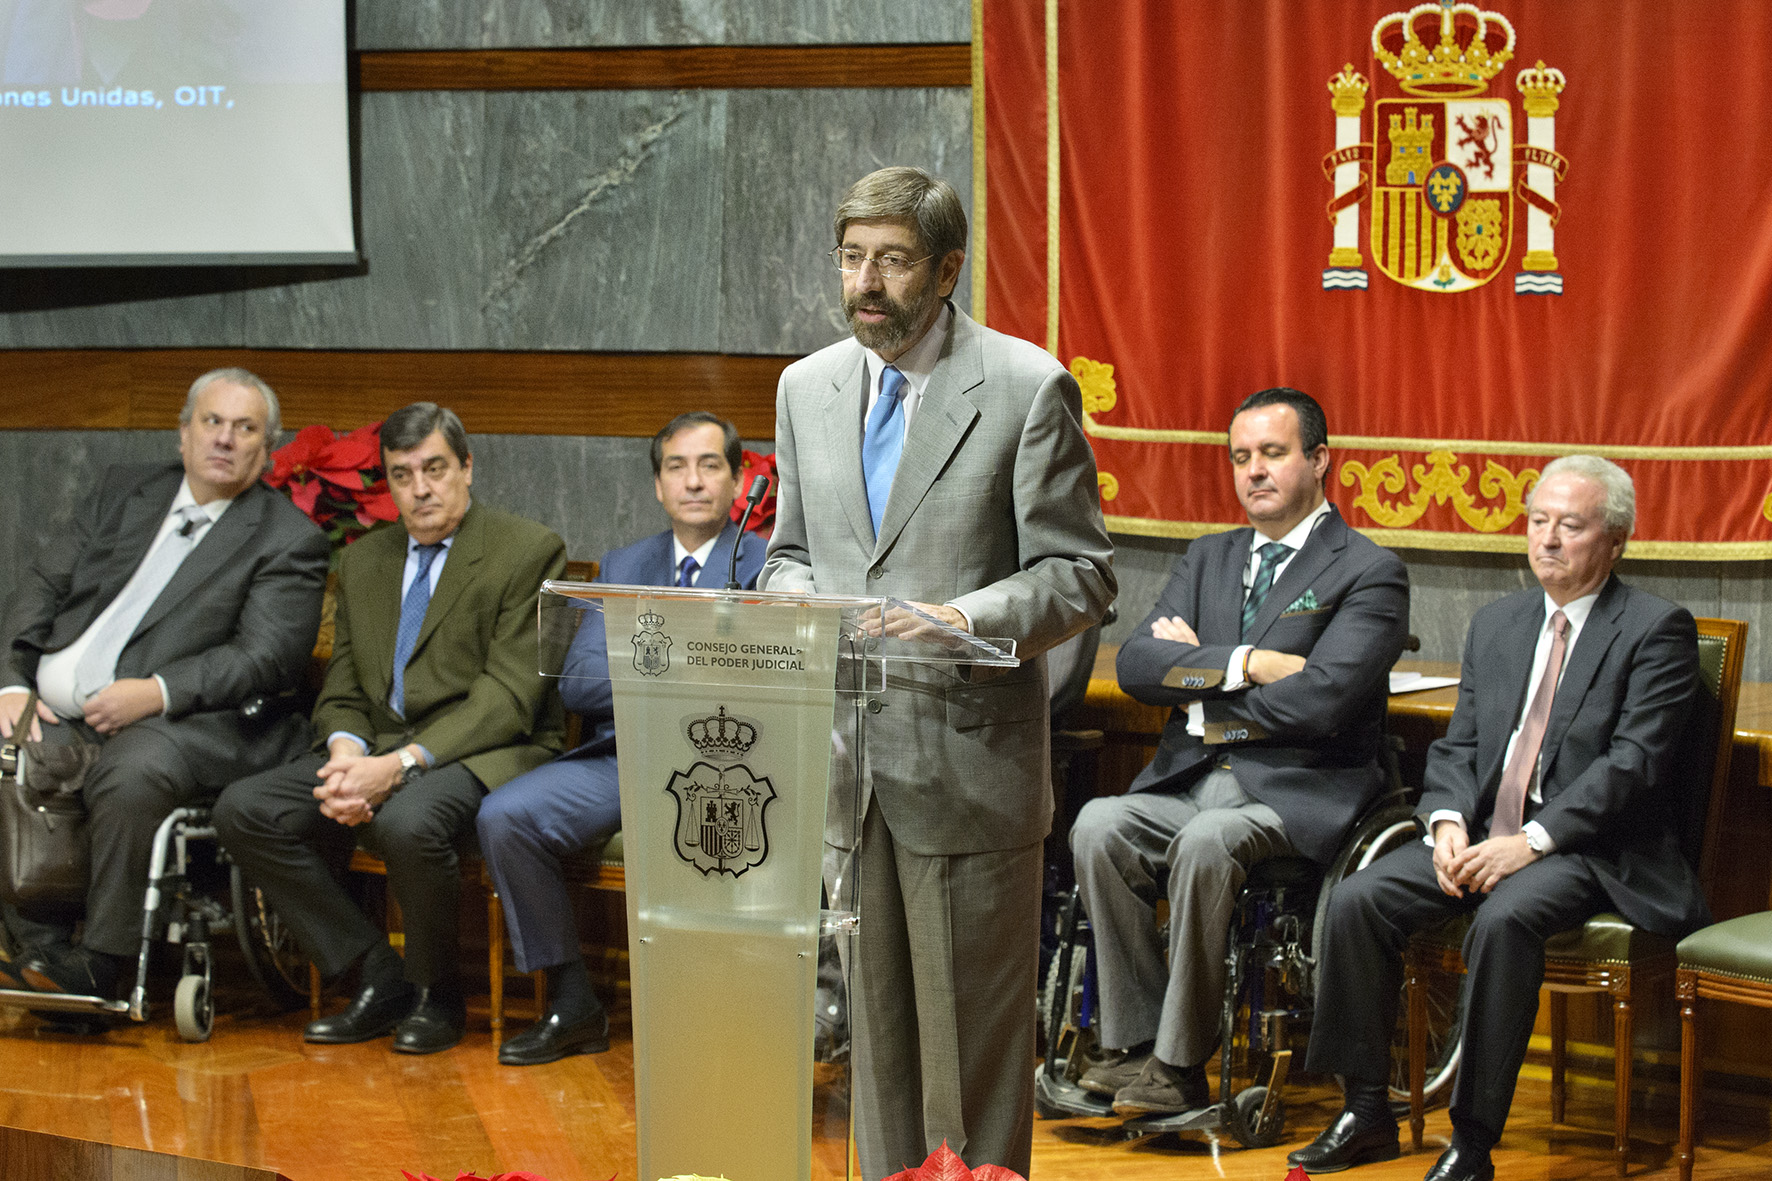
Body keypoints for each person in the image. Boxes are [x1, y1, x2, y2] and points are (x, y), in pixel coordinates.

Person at [760, 166, 1116, 1179]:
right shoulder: (806, 386)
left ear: (947, 267)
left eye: (892, 261)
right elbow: (789, 549)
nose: (865, 283)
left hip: (966, 769)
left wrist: (957, 617)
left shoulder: (1021, 384)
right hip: (848, 767)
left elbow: (1081, 573)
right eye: (851, 258)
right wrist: (794, 599)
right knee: (875, 1044)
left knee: (966, 1055)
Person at [1291, 455, 1707, 1181]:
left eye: (1569, 526)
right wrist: (1447, 820)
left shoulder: (1655, 629)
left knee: (1505, 918)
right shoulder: (1499, 622)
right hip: (1486, 834)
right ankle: (1366, 1110)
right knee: (1359, 899)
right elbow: (1462, 744)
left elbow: (1633, 766)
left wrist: (1530, 843)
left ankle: (1473, 1142)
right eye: (1537, 521)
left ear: (1615, 540)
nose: (1546, 539)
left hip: (1591, 850)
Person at [1069, 387, 1410, 1114]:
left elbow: (1324, 701)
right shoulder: (1209, 558)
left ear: (1319, 460)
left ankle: (1178, 1061)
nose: (1254, 470)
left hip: (1300, 792)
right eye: (1241, 457)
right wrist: (1247, 663)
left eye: (1273, 454)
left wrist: (1197, 692)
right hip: (1190, 778)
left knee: (1206, 840)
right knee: (1098, 822)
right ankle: (1130, 1042)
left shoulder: (1369, 570)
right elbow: (1134, 663)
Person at [213, 402, 567, 1055]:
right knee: (245, 808)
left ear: (466, 467)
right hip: (379, 748)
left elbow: (509, 698)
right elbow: (345, 687)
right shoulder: (364, 561)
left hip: (493, 748)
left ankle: (439, 994)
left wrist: (396, 765)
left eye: (434, 468)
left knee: (407, 820)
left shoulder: (527, 549)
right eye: (402, 474)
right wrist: (347, 752)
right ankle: (377, 972)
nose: (421, 488)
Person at [0, 368, 329, 1000]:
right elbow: (43, 585)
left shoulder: (288, 539)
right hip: (57, 707)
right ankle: (39, 951)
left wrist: (157, 690)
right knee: (7, 753)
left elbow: (266, 657)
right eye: (212, 422)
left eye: (245, 428)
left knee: (132, 770)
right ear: (183, 435)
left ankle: (100, 960)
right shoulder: (127, 493)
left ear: (267, 449)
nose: (226, 440)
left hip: (199, 723)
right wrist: (13, 681)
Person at [478, 410, 765, 1066]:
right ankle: (573, 999)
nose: (693, 481)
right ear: (658, 487)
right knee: (506, 816)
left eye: (709, 464)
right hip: (622, 756)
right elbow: (579, 683)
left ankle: (724, 1024)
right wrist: (692, 668)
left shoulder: (768, 563)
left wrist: (645, 666)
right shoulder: (623, 562)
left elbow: (755, 684)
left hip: (726, 766)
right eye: (676, 467)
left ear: (738, 478)